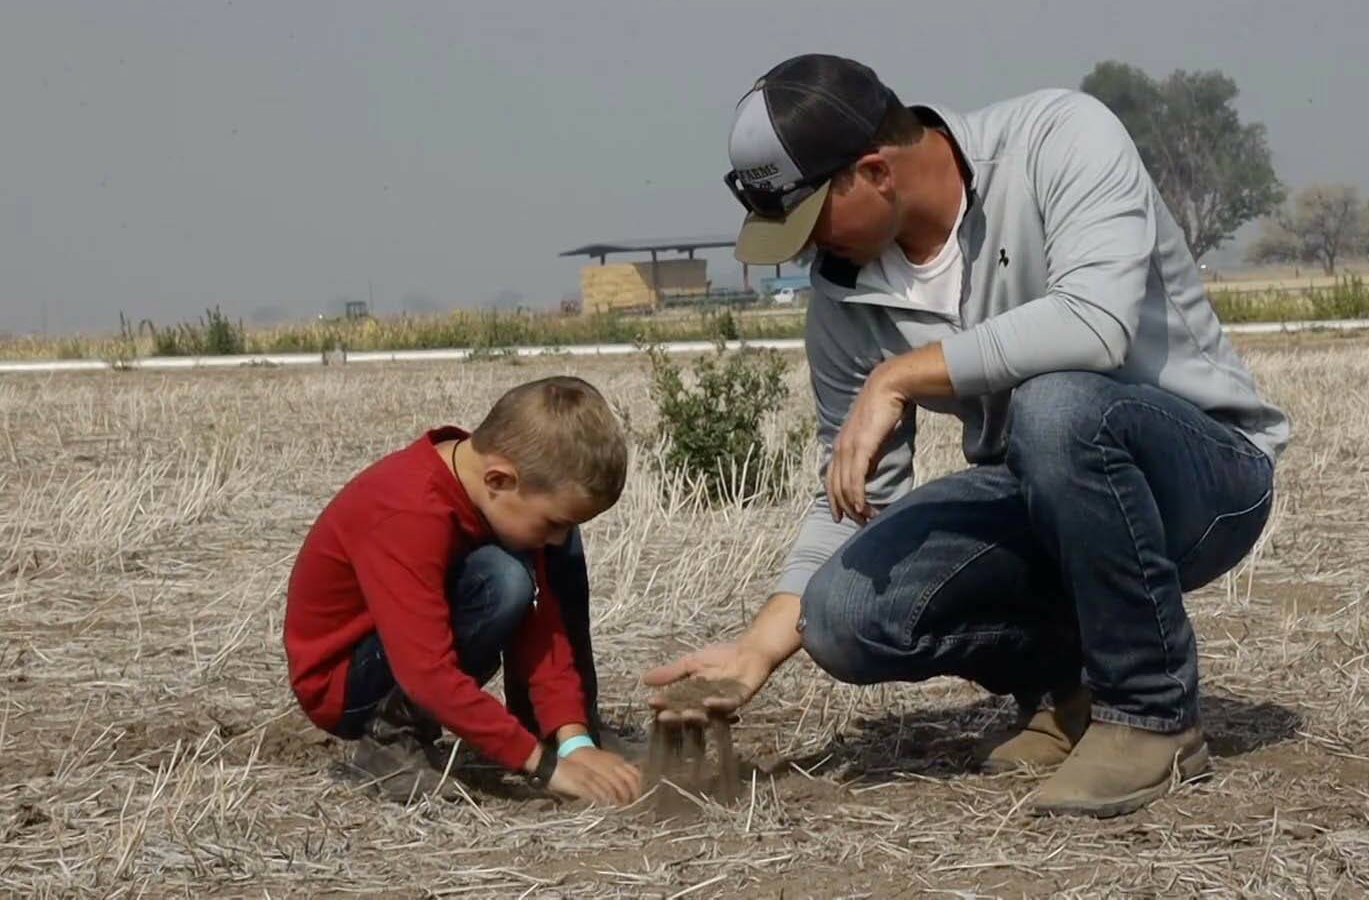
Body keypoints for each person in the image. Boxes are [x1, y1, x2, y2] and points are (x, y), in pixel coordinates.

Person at [644, 54, 1289, 818]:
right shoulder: (845, 296)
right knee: (842, 615)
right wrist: (758, 648)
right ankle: (1070, 692)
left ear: (876, 171)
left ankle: (1150, 715)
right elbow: (858, 492)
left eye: (810, 221)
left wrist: (900, 376)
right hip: (1044, 495)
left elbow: (1096, 323)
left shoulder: (1060, 138)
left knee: (1057, 409)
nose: (806, 250)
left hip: (1204, 479)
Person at [284, 375, 645, 806]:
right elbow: (427, 672)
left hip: (412, 658)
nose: (555, 536)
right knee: (505, 579)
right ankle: (390, 743)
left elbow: (542, 628)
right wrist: (544, 768)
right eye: (552, 520)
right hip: (345, 685)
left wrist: (572, 742)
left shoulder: (495, 496)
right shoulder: (408, 510)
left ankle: (551, 730)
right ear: (499, 479)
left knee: (547, 556)